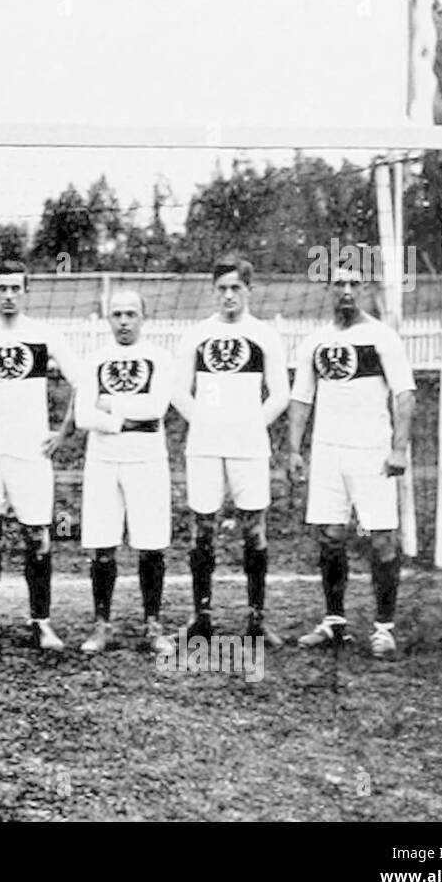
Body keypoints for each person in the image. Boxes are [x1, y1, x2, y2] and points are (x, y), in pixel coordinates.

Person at [287, 265, 414, 657]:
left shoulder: (381, 336)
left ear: (366, 288)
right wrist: (294, 449)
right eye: (339, 283)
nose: (346, 290)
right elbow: (301, 398)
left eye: (354, 284)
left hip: (372, 451)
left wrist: (399, 447)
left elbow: (405, 395)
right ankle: (334, 621)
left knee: (382, 538)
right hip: (328, 451)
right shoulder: (316, 341)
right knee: (330, 535)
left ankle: (384, 627)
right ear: (328, 289)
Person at [0, 260, 79, 651]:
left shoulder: (44, 336)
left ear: (26, 292)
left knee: (37, 535)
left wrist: (62, 433)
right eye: (2, 288)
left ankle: (41, 621)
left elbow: (83, 382)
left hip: (30, 453)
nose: (9, 295)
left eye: (16, 288)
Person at [171, 253, 289, 646]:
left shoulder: (265, 335)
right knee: (202, 529)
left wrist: (250, 424)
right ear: (213, 291)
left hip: (250, 446)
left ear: (248, 290)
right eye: (221, 289)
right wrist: (204, 420)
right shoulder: (197, 334)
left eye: (236, 288)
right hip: (204, 445)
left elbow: (280, 395)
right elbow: (177, 391)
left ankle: (256, 619)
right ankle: (200, 616)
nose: (228, 295)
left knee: (254, 530)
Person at [73, 290, 175, 655]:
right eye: (117, 314)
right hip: (102, 461)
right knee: (102, 546)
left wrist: (109, 407)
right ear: (107, 318)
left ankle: (153, 625)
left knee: (151, 546)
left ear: (143, 317)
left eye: (131, 314)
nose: (124, 321)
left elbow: (156, 407)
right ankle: (102, 624)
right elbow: (84, 416)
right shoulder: (95, 360)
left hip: (147, 460)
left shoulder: (159, 358)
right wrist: (125, 419)